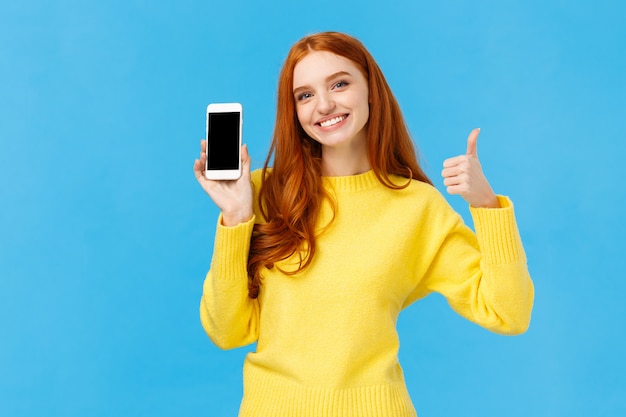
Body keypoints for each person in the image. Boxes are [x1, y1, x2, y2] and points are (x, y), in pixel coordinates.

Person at [193, 31, 534, 417]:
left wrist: (487, 206)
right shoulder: (260, 193)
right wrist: (236, 217)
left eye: (339, 83)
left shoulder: (416, 207)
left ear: (371, 89)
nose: (323, 105)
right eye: (305, 95)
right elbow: (226, 331)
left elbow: (509, 312)